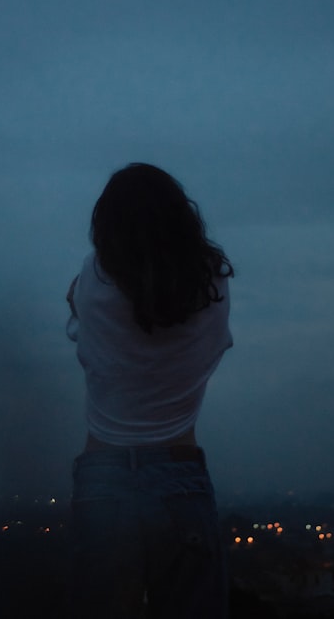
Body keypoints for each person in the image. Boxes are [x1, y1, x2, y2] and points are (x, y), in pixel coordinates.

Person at [65, 163, 234, 618]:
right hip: (179, 476)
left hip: (103, 479)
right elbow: (217, 346)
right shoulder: (211, 282)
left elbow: (80, 324)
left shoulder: (92, 278)